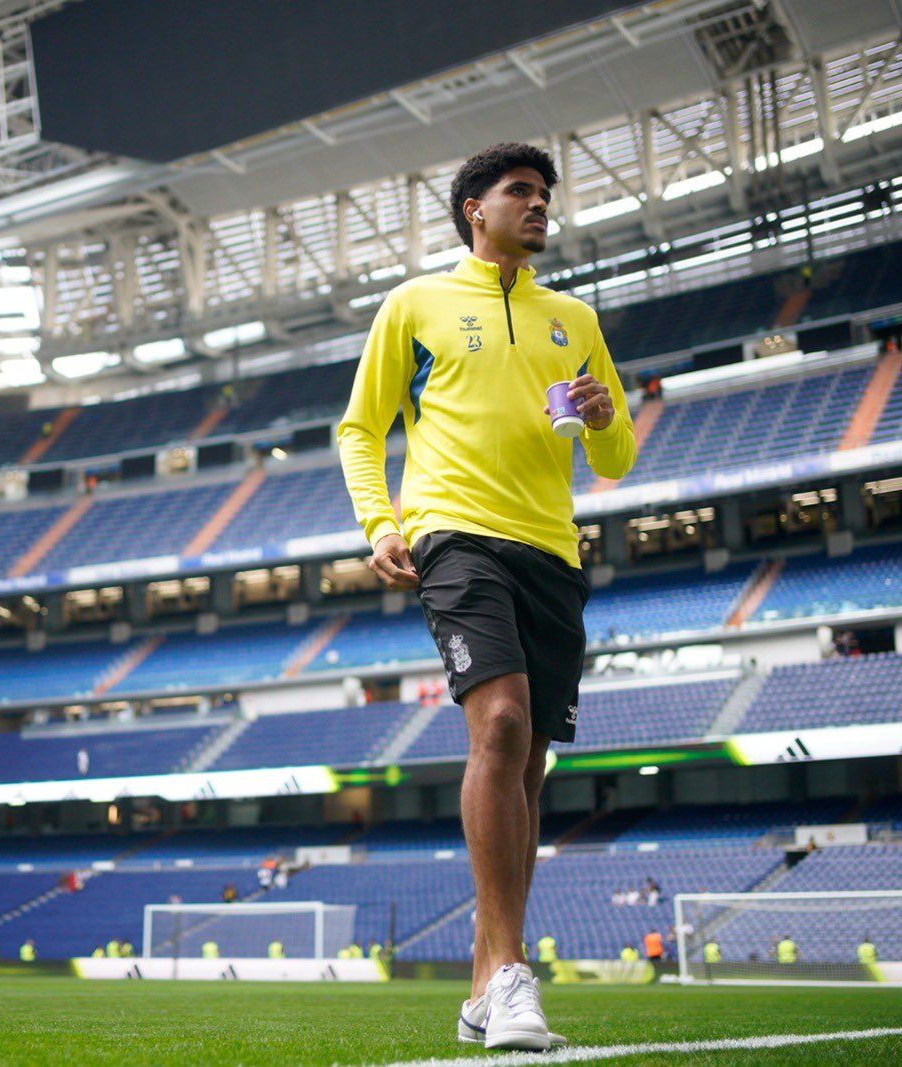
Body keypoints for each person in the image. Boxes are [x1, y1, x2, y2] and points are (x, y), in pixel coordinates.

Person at [340, 141, 634, 1053]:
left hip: (551, 548)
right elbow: (361, 427)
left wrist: (601, 417)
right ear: (476, 208)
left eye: (546, 193)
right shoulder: (416, 304)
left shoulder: (574, 317)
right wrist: (381, 525)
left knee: (529, 761)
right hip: (454, 537)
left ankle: (480, 984)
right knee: (500, 725)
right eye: (521, 191)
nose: (540, 204)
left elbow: (616, 458)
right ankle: (512, 974)